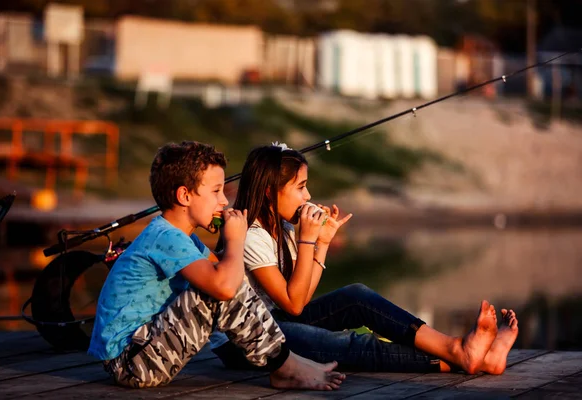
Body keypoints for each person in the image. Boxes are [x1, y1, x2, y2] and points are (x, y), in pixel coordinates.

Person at [212, 143, 519, 375]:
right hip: (244, 342)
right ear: (269, 192)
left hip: (275, 323)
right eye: (301, 187)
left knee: (357, 296)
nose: (307, 196)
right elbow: (294, 304)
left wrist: (321, 244)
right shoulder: (251, 236)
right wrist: (308, 239)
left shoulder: (284, 227)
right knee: (344, 345)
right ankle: (459, 357)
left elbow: (299, 302)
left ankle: (462, 350)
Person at [87, 141, 346, 390]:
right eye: (216, 191)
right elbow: (223, 289)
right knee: (221, 288)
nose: (224, 201)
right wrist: (235, 240)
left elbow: (234, 280)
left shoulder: (186, 239)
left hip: (149, 352)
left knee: (230, 281)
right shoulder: (165, 236)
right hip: (132, 362)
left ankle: (284, 362)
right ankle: (284, 366)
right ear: (184, 195)